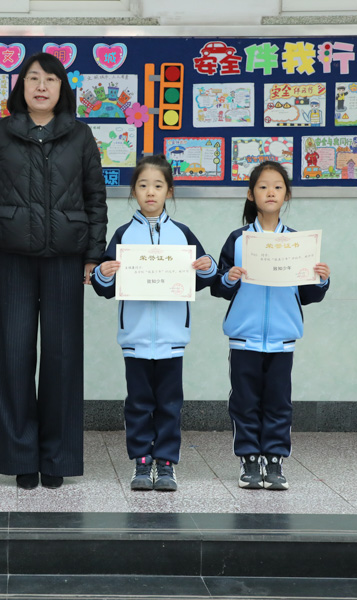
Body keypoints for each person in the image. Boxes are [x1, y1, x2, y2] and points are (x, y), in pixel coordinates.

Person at [0, 52, 108, 489]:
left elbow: (95, 198)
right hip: (12, 258)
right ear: (22, 87)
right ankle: (19, 457)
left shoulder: (80, 134)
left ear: (62, 88)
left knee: (62, 358)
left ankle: (57, 458)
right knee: (13, 356)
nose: (42, 86)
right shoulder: (0, 133)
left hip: (66, 259)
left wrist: (93, 256)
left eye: (51, 79)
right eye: (33, 78)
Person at [91, 155, 216, 492]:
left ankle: (166, 463)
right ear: (134, 191)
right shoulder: (123, 235)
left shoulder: (182, 234)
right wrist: (103, 273)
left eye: (158, 186)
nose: (150, 192)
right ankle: (142, 461)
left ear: (169, 191)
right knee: (138, 404)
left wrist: (206, 266)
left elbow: (205, 277)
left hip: (173, 339)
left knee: (170, 404)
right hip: (135, 338)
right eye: (143, 185)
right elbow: (104, 286)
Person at [211, 161, 330, 491]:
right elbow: (219, 287)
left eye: (277, 186)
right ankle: (249, 459)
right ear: (251, 194)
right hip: (243, 338)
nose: (270, 192)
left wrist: (321, 280)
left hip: (282, 339)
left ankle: (275, 460)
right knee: (244, 402)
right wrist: (228, 278)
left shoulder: (298, 242)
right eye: (263, 186)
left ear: (286, 195)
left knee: (278, 402)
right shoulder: (238, 240)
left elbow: (308, 295)